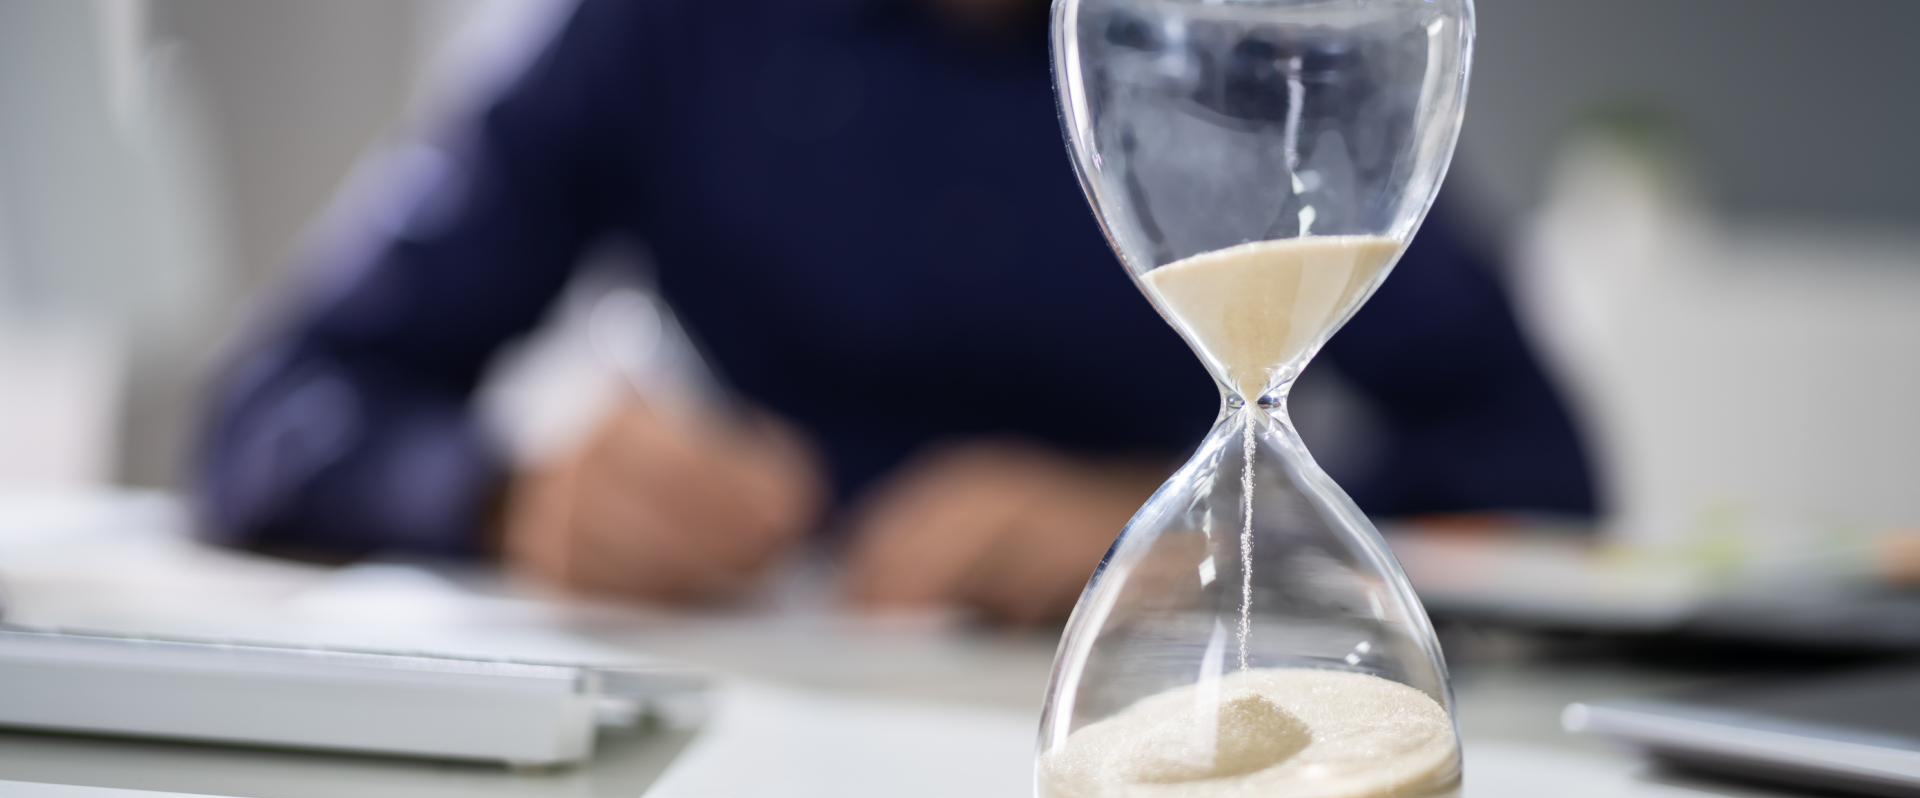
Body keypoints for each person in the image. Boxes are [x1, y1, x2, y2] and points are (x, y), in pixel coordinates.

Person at [197, 0, 1594, 624]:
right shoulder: (660, 28)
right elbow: (275, 411)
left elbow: (1539, 477)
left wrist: (1196, 530)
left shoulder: (1252, 48)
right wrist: (507, 492)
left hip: (1143, 686)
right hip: (754, 694)